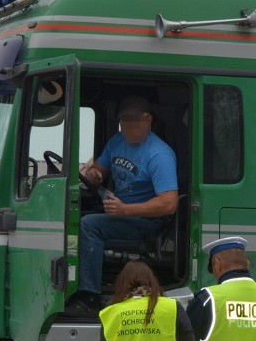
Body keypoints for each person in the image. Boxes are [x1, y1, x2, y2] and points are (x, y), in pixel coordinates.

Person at [65, 95, 179, 317]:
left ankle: (89, 296)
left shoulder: (159, 154)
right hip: (120, 211)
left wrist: (126, 210)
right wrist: (95, 174)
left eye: (133, 122)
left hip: (146, 220)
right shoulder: (117, 141)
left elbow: (169, 203)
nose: (127, 128)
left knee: (89, 225)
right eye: (123, 122)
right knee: (71, 214)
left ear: (148, 120)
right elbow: (98, 168)